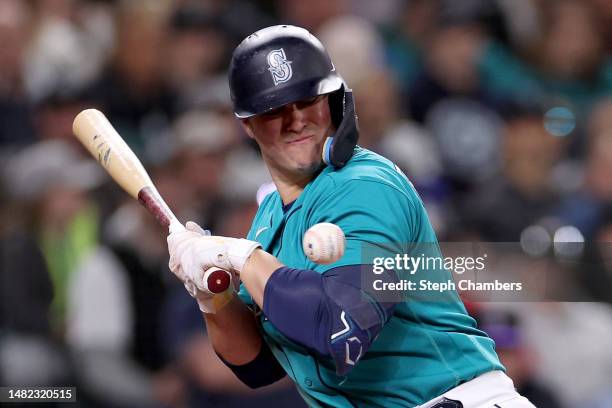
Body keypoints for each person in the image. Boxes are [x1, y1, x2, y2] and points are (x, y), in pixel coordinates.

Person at [166, 25, 535, 407]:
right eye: (275, 109)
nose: (296, 120)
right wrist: (213, 295)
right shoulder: (270, 217)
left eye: (308, 100)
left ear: (332, 102)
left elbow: (339, 329)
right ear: (247, 124)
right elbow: (259, 366)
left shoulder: (367, 186)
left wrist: (241, 257)